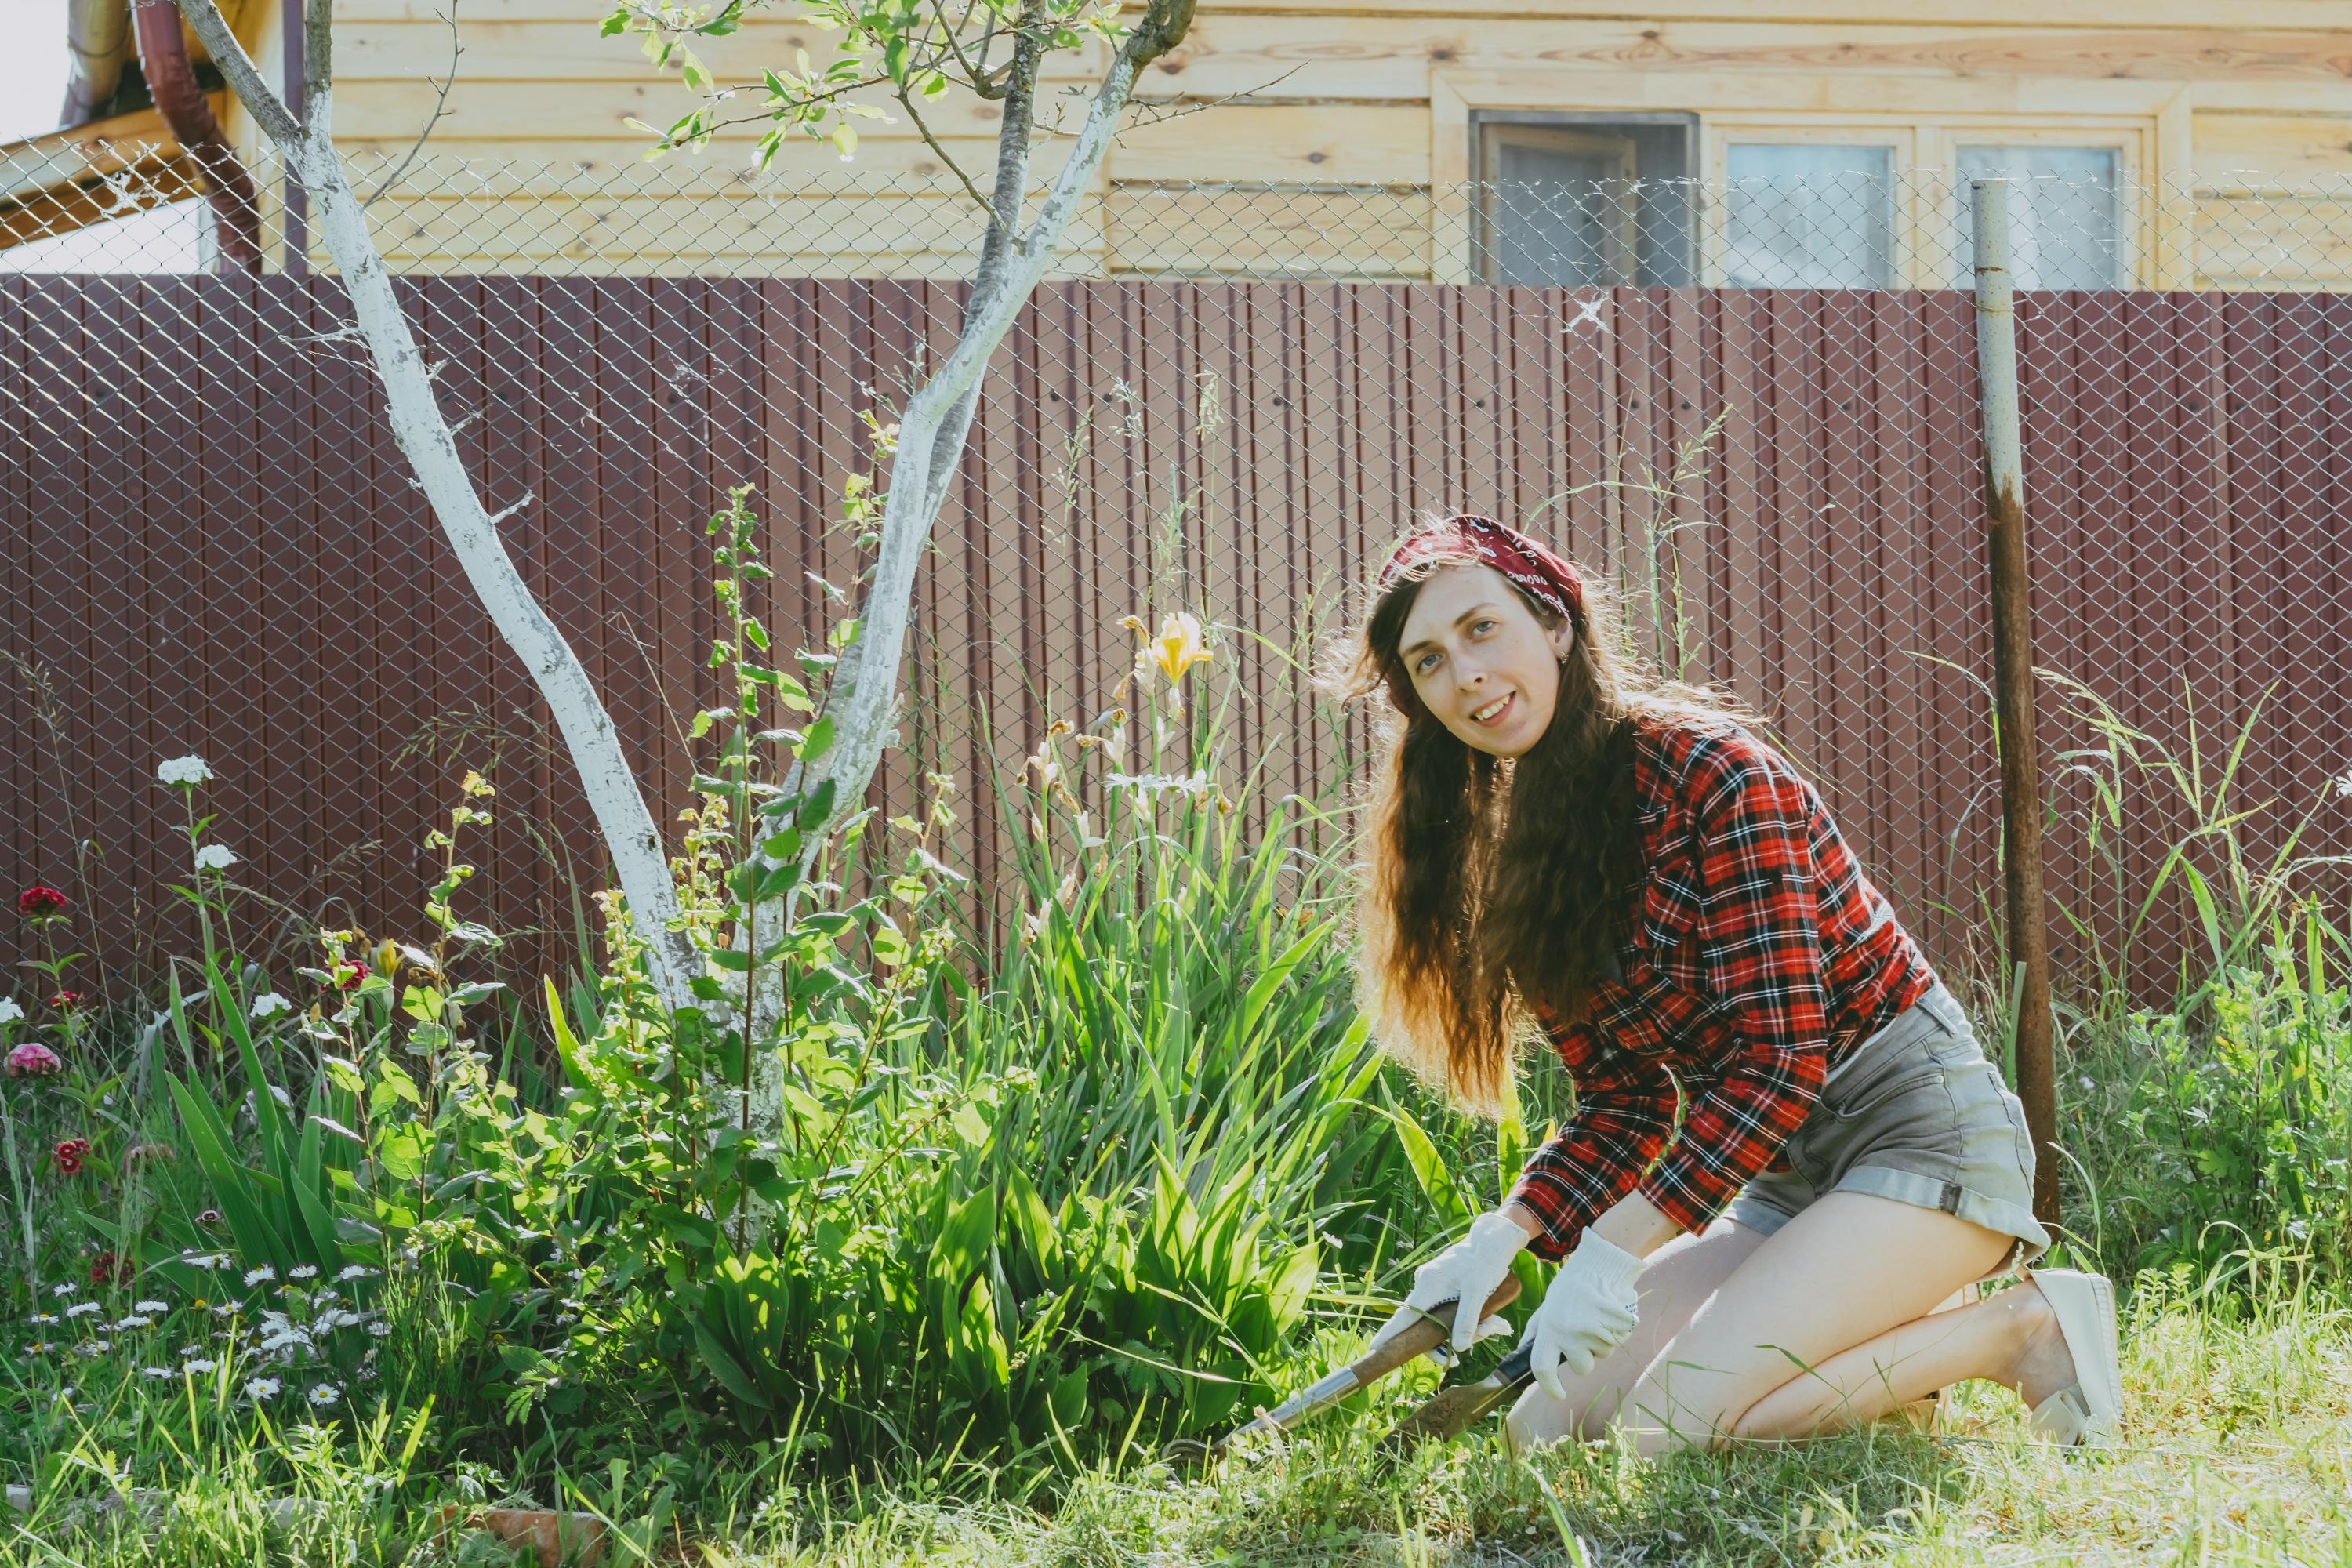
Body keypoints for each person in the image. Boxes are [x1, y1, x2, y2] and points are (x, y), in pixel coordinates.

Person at [1348, 513, 2122, 1454]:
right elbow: (1622, 1102)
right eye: (1427, 660)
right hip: (1787, 1174)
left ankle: (2018, 1328)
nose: (1464, 674)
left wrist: (1608, 1251)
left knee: (1665, 1430)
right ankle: (1877, 1348)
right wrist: (1505, 1235)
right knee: (1545, 1425)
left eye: (1480, 628)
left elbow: (1780, 1061)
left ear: (1555, 622)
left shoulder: (1709, 770)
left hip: (1922, 1134)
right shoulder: (1524, 858)